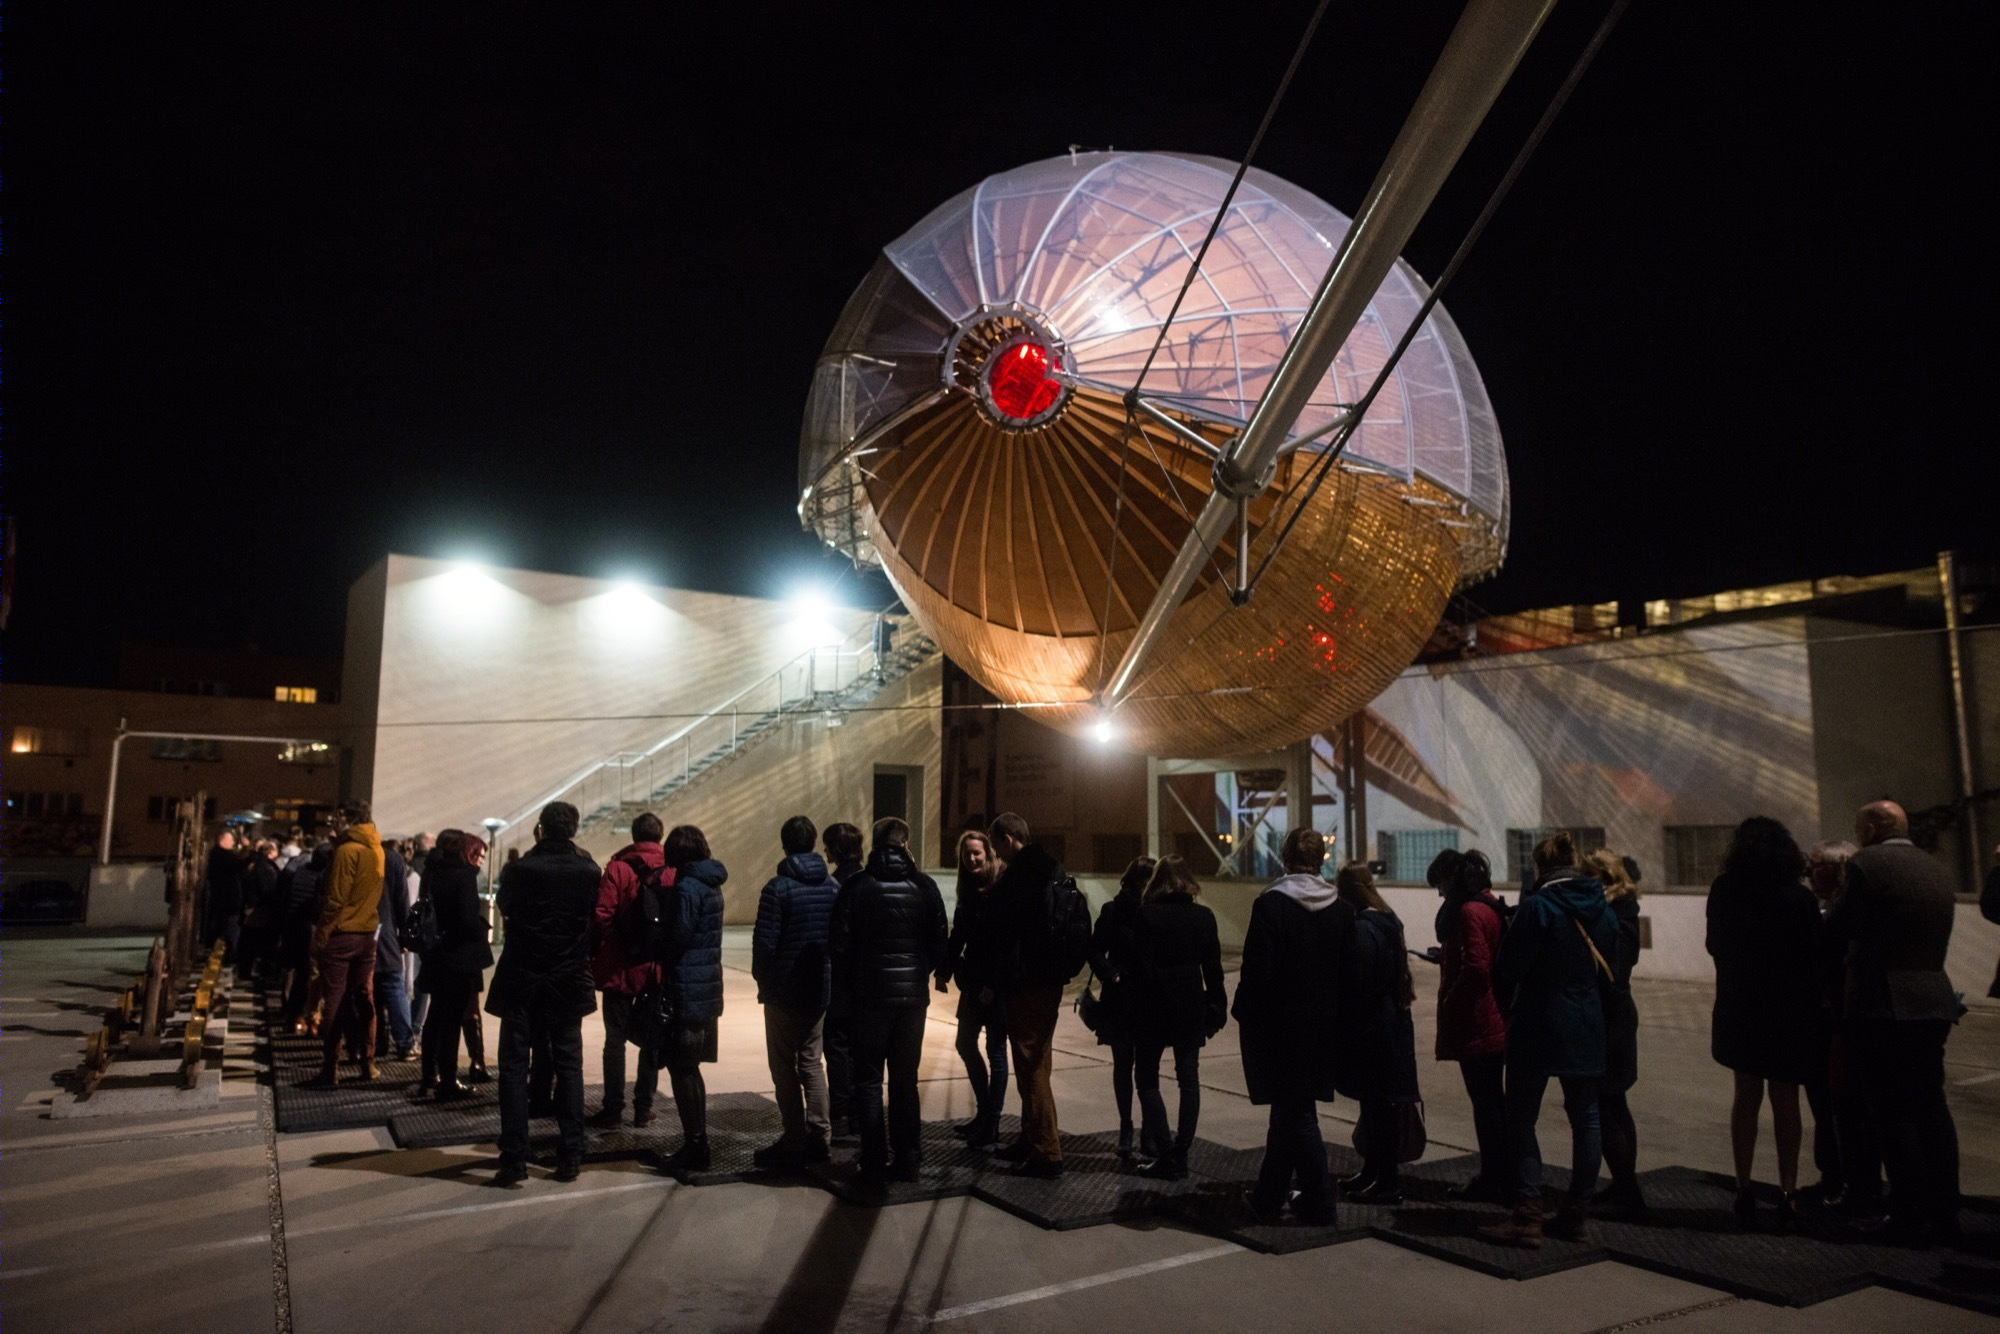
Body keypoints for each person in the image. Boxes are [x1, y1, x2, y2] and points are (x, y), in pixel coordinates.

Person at [1479, 832, 1616, 1248]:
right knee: (1587, 1118)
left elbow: (1509, 966)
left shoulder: (1538, 906)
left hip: (1538, 1021)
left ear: (1539, 867)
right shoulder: (1599, 905)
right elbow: (1614, 953)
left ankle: (1527, 1215)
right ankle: (1576, 1212)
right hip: (1585, 1021)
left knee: (1522, 1118)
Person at [1836, 799, 1962, 1244]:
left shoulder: (1868, 864)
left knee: (1892, 1114)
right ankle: (1945, 1209)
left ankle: (1908, 1213)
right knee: (1931, 1107)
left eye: (1858, 825)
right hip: (1933, 998)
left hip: (1883, 1003)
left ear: (1872, 827)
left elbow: (1843, 926)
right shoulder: (1935, 866)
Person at [1705, 816, 1820, 1232]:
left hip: (1741, 1006)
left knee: (1746, 1096)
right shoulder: (1799, 897)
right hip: (1788, 1010)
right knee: (1786, 1099)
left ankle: (1744, 1188)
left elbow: (1714, 945)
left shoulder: (1725, 890)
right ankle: (1788, 1192)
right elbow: (1814, 957)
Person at [1235, 827, 1352, 1225]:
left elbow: (1257, 973)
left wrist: (1245, 1016)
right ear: (1321, 859)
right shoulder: (1341, 908)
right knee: (1288, 1114)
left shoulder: (1271, 905)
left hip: (1282, 1029)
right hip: (1325, 1027)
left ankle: (1321, 1201)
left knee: (1297, 1115)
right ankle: (1269, 1197)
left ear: (1284, 858)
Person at [484, 802, 601, 1188]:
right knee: (569, 1065)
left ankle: (514, 1157)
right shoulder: (588, 871)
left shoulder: (522, 870)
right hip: (567, 977)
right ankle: (570, 1153)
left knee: (515, 1067)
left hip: (523, 976)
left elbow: (507, 908)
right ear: (573, 829)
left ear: (541, 829)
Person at [831, 817, 948, 1185]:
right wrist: (917, 972)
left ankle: (874, 1159)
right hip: (912, 1000)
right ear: (905, 844)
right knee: (904, 1080)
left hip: (868, 997)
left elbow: (839, 945)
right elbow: (939, 945)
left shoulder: (856, 886)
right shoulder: (924, 886)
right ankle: (909, 1159)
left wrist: (854, 982)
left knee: (867, 1080)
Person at [981, 812, 1078, 1179]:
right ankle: (1030, 1138)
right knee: (1038, 1062)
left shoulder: (1019, 875)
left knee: (1030, 1067)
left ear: (1007, 838)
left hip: (1026, 982)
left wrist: (991, 979)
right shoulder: (1053, 867)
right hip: (1049, 980)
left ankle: (1046, 1152)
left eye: (995, 846)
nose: (995, 854)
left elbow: (999, 933)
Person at [751, 815, 839, 1169]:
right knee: (812, 1062)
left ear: (784, 845)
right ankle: (821, 1136)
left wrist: (764, 981)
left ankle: (794, 1139)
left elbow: (765, 944)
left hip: (784, 991)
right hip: (819, 987)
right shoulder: (832, 885)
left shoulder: (778, 888)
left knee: (784, 1067)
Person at [1130, 856, 1226, 1181]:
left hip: (1153, 1006)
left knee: (1146, 1079)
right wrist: (1217, 1008)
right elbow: (1213, 970)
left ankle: (1165, 1150)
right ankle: (1181, 1152)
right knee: (1188, 1079)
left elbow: (1140, 969)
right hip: (1189, 1004)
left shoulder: (1147, 915)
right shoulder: (1204, 917)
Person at [1334, 862, 1420, 1203]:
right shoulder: (1389, 920)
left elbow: (1359, 982)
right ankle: (1374, 1173)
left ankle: (1385, 1181)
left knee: (1378, 1107)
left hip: (1373, 1026)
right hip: (1392, 1020)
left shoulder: (1362, 929)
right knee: (1378, 1105)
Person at [1433, 848, 1509, 1202]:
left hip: (1479, 1021)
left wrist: (1452, 1002)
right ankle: (1500, 1175)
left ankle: (1495, 1179)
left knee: (1487, 1106)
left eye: (1442, 885)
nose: (1439, 893)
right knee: (1493, 1103)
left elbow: (1477, 966)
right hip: (1494, 1018)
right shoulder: (1489, 904)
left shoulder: (1467, 912)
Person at [588, 813, 668, 1130]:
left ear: (634, 835)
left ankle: (612, 1108)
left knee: (615, 1040)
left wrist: (606, 949)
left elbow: (602, 914)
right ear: (660, 836)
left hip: (619, 968)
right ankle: (643, 1107)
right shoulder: (672, 868)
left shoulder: (618, 867)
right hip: (655, 969)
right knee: (651, 1039)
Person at [658, 825, 727, 1172]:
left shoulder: (687, 887)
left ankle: (696, 1146)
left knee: (683, 1068)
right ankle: (696, 1142)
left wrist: (658, 945)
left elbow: (678, 937)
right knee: (690, 1068)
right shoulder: (711, 885)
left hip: (687, 986)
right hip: (706, 985)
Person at [937, 830, 1011, 1149]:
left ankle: (991, 1122)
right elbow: (960, 935)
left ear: (990, 854)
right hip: (973, 983)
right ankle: (984, 1115)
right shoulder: (968, 889)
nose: (972, 859)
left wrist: (993, 986)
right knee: (965, 1043)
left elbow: (1006, 944)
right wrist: (943, 971)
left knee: (996, 1052)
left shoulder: (1001, 888)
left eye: (977, 853)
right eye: (967, 854)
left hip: (995, 986)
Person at [1584, 849, 1646, 1218]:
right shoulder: (1619, 912)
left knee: (1609, 1104)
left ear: (1605, 879)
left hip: (1612, 1019)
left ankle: (1628, 1192)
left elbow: (1617, 967)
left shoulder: (1618, 914)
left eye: (1589, 876)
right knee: (1612, 1104)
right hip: (1610, 1016)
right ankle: (1625, 1185)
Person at [306, 800, 385, 1086]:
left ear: (348, 819)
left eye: (337, 817)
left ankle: (330, 1069)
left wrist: (321, 935)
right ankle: (368, 1063)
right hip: (367, 934)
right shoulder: (376, 848)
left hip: (341, 935)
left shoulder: (346, 851)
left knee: (335, 1004)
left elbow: (335, 899)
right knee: (365, 999)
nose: (333, 822)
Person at [415, 830, 493, 1100]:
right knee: (452, 1022)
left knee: (435, 1017)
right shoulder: (464, 876)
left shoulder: (434, 872)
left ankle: (429, 1077)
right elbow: (467, 919)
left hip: (436, 954)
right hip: (459, 958)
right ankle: (448, 1081)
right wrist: (483, 927)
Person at [1086, 856, 1152, 1157]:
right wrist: (1111, 974)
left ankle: (1150, 1130)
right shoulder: (1113, 911)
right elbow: (1095, 950)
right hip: (1120, 999)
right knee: (1124, 1067)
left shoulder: (1156, 912)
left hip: (1148, 1000)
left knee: (1147, 1070)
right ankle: (1127, 1127)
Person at [822, 821, 865, 1140]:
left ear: (837, 849)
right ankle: (863, 1115)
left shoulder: (835, 885)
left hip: (840, 981)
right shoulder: (868, 880)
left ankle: (841, 1114)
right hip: (867, 982)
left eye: (828, 846)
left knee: (837, 1049)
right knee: (862, 1052)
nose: (825, 851)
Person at [373, 837, 419, 1061]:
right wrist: (404, 937)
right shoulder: (393, 860)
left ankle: (374, 1041)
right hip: (388, 933)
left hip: (362, 931)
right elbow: (402, 901)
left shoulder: (352, 853)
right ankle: (405, 1043)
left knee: (368, 990)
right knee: (393, 985)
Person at [205, 830, 246, 965]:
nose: (233, 843)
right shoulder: (222, 857)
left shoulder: (217, 856)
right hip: (227, 901)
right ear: (222, 841)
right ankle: (227, 957)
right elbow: (239, 864)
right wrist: (247, 850)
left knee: (224, 929)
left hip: (222, 901)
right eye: (231, 840)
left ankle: (222, 955)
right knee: (229, 930)